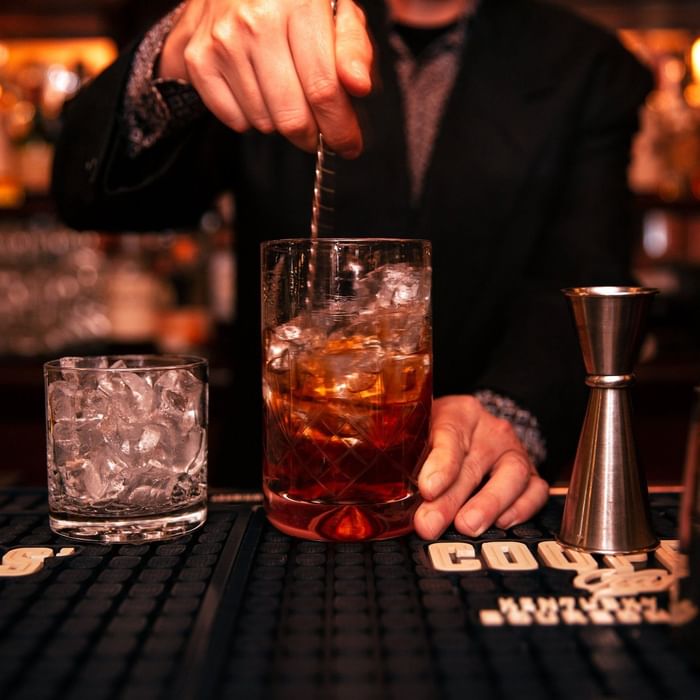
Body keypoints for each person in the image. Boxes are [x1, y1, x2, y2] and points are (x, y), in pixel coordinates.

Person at [50, 0, 653, 540]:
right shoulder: (272, 16)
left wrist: (508, 413)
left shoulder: (587, 61)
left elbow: (583, 272)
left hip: (475, 500)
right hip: (272, 503)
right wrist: (181, 47)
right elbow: (95, 198)